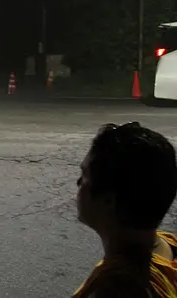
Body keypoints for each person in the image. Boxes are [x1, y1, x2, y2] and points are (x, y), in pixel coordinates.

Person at [74, 122, 177, 297]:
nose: (78, 183)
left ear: (108, 201)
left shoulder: (116, 290)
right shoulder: (167, 245)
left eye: (84, 176)